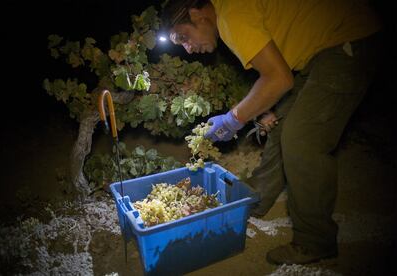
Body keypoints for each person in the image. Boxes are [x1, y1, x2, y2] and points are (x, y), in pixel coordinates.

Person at [161, 0, 383, 265]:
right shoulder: (230, 11)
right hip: (319, 53)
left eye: (184, 37)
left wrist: (233, 119)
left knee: (301, 139)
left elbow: (279, 79)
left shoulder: (231, 16)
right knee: (280, 128)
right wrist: (270, 107)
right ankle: (255, 200)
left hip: (348, 38)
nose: (187, 48)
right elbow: (277, 69)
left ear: (197, 15)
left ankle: (314, 240)